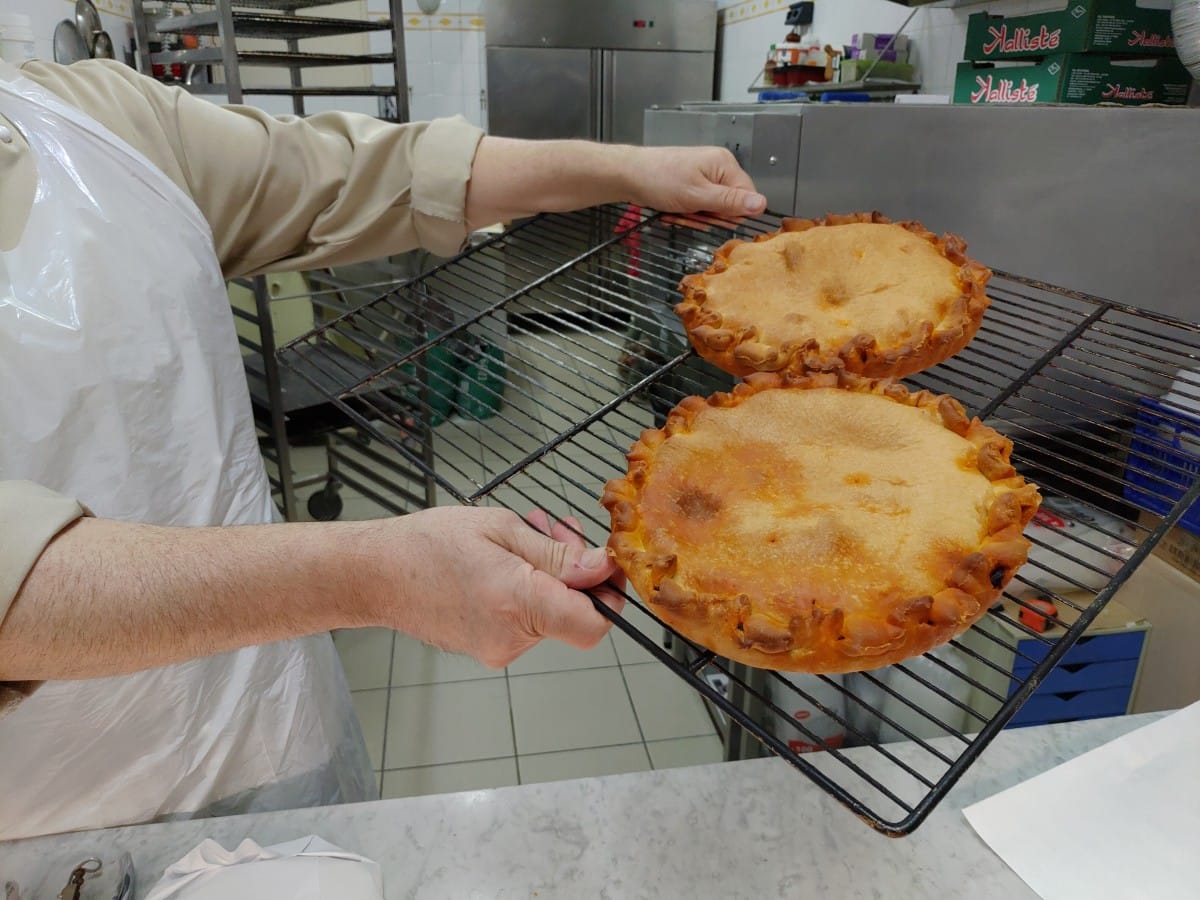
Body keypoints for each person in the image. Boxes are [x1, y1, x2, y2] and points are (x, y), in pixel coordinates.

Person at [0, 55, 766, 840]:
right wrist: (372, 575)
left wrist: (633, 170)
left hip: (262, 714)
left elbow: (367, 172)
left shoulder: (84, 117)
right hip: (39, 815)